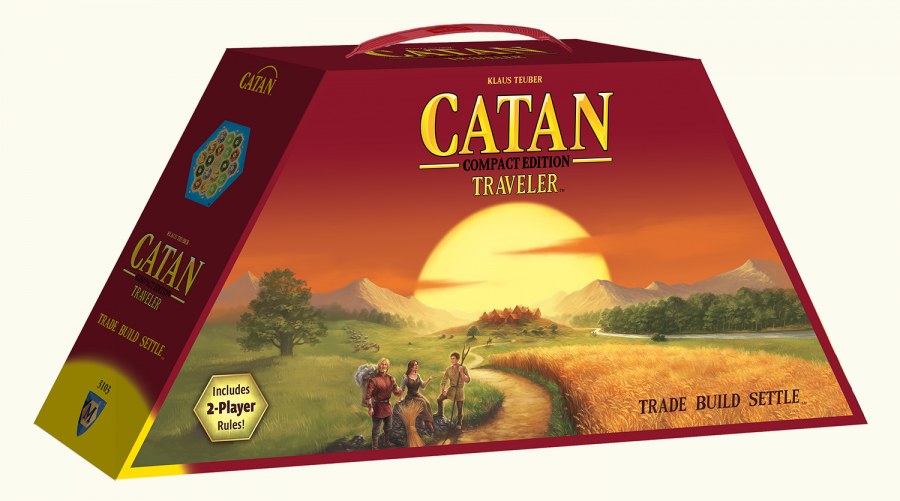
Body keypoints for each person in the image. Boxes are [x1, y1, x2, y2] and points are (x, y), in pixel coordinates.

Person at [365, 357, 401, 449]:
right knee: (376, 429)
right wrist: (370, 408)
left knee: (388, 427)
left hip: (387, 406)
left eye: (385, 364)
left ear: (387, 367)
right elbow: (368, 396)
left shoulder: (391, 378)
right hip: (377, 407)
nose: (383, 366)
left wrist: (397, 388)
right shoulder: (373, 380)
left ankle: (386, 442)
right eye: (382, 364)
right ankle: (374, 447)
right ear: (379, 366)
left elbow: (396, 393)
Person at [397, 360, 436, 434]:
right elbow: (402, 389)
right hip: (410, 397)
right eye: (415, 365)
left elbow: (423, 386)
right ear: (411, 367)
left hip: (417, 394)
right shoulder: (405, 377)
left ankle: (424, 420)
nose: (417, 366)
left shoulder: (418, 375)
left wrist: (429, 379)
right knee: (422, 401)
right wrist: (400, 398)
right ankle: (429, 422)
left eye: (417, 364)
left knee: (427, 402)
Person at [436, 351, 471, 430]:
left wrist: (461, 372)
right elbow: (444, 380)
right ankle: (440, 414)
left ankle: (459, 422)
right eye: (451, 359)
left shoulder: (463, 368)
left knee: (459, 408)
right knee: (439, 399)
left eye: (453, 358)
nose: (452, 360)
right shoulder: (449, 369)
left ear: (457, 359)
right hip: (451, 389)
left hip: (459, 390)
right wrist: (443, 390)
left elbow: (467, 380)